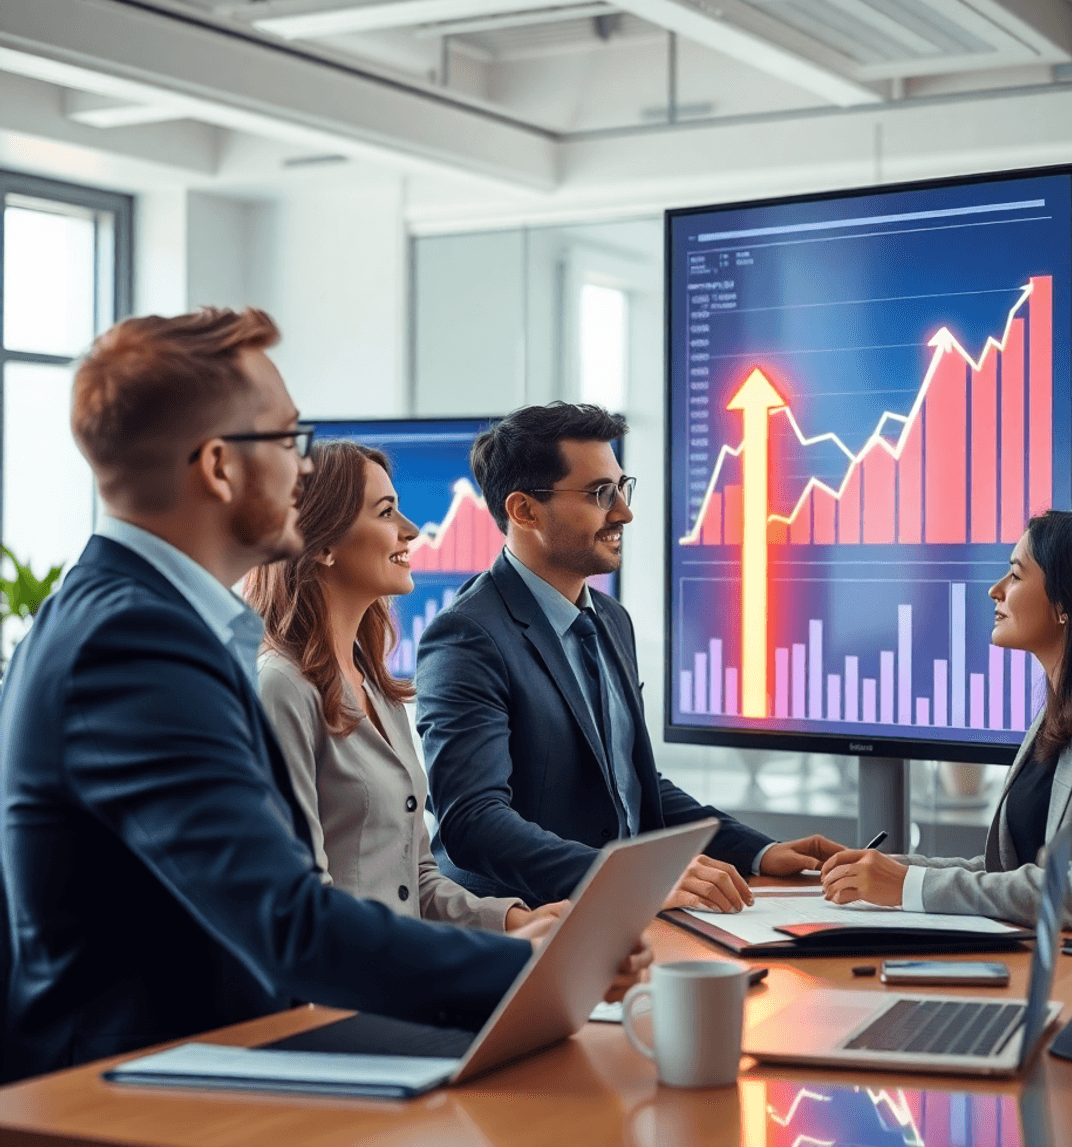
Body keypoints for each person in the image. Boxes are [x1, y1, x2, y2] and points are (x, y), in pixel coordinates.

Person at [0, 311, 647, 1082]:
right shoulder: (134, 641)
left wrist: (514, 940)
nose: (304, 472)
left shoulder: (142, 619)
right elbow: (287, 920)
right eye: (287, 442)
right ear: (217, 466)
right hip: (137, 1094)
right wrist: (525, 969)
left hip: (206, 1064)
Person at [415, 402, 845, 912]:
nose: (623, 511)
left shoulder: (611, 620)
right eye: (600, 494)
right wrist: (636, 880)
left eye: (622, 488)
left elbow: (631, 784)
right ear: (524, 511)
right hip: (527, 928)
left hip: (623, 916)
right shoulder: (467, 636)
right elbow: (474, 823)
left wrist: (758, 850)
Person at [821, 509, 1072, 931]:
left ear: (1066, 603)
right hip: (1061, 960)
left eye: (1016, 576)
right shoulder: (1064, 704)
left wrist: (912, 884)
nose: (994, 590)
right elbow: (1011, 870)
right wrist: (897, 869)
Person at [245, 440, 564, 934]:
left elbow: (415, 880)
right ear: (323, 543)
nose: (411, 531)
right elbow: (308, 903)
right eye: (387, 512)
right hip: (352, 989)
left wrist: (516, 920)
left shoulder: (375, 686)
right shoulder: (281, 689)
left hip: (405, 976)